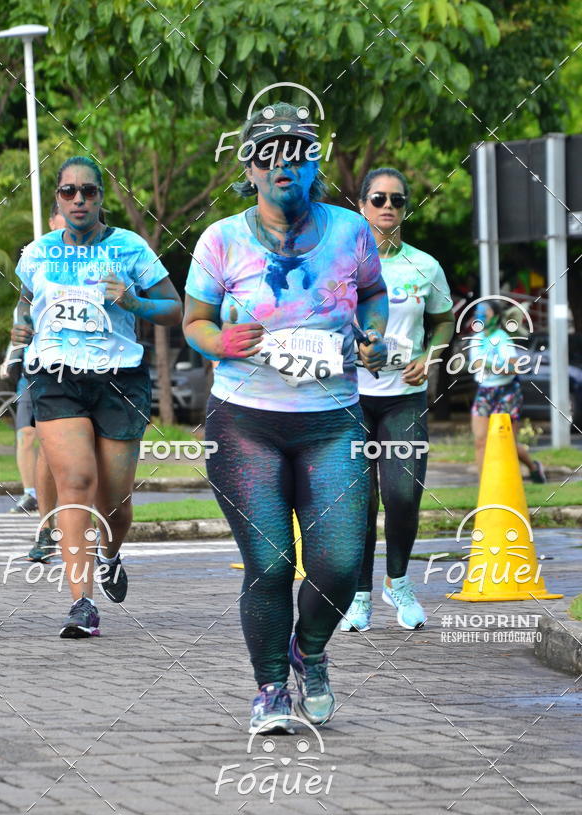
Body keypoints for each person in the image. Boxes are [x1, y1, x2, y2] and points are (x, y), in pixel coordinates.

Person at [184, 103, 388, 733]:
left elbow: (375, 296)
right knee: (270, 563)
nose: (282, 165)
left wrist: (373, 336)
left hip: (332, 421)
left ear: (313, 164)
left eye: (296, 152)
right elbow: (195, 322)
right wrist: (221, 342)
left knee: (338, 563)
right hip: (245, 422)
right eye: (267, 154)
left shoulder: (351, 232)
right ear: (248, 167)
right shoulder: (221, 238)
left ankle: (312, 651)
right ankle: (271, 686)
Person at [12, 155, 182, 638]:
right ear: (58, 199)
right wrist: (21, 338)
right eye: (69, 192)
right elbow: (26, 304)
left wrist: (133, 301)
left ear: (102, 197)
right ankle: (81, 603)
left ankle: (110, 554)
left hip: (119, 379)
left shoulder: (130, 248)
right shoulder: (38, 253)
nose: (79, 199)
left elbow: (175, 309)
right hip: (55, 377)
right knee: (77, 482)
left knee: (115, 504)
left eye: (89, 191)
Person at [342, 167, 455, 633]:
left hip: (404, 398)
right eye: (378, 199)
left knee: (403, 495)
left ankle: (399, 582)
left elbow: (446, 322)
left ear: (406, 207)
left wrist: (430, 359)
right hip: (349, 398)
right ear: (362, 206)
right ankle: (361, 595)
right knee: (360, 502)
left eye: (397, 200)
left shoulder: (424, 266)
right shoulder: (342, 266)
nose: (388, 207)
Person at [0, 203, 64, 523]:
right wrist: (13, 355)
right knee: (28, 434)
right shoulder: (36, 261)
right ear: (52, 219)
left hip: (76, 369)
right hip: (35, 367)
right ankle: (31, 494)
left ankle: (67, 499)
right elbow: (21, 311)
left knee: (58, 439)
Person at [469, 299, 545, 481]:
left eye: (484, 314)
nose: (479, 317)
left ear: (495, 317)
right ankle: (485, 486)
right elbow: (475, 365)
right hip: (484, 391)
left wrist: (489, 364)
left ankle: (533, 467)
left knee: (506, 442)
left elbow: (514, 367)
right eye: (477, 313)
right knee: (481, 441)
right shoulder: (475, 339)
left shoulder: (502, 338)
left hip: (507, 391)